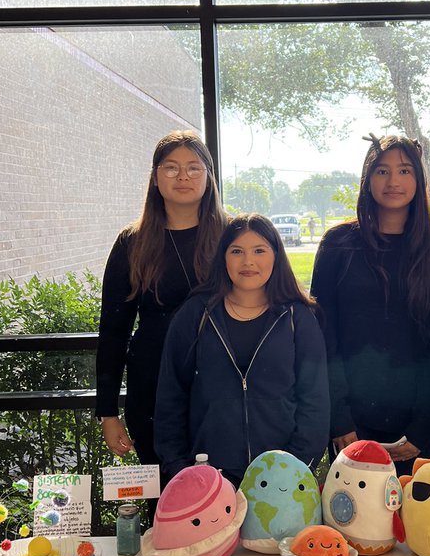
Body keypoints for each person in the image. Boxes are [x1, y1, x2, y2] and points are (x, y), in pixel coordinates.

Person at [311, 134, 430, 476]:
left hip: (413, 429)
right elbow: (323, 335)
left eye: (405, 170)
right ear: (367, 180)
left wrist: (425, 422)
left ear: (418, 180)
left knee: (410, 523)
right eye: (382, 171)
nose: (393, 181)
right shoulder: (338, 245)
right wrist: (339, 419)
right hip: (348, 427)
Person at [154, 214, 330, 486]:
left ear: (276, 256)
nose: (248, 261)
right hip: (208, 478)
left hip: (282, 481)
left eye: (259, 250)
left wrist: (294, 468)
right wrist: (181, 469)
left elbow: (315, 402)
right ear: (223, 258)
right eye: (237, 251)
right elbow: (171, 395)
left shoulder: (298, 317)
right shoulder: (196, 314)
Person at [95, 131, 227, 464]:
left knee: (227, 501)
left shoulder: (232, 236)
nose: (183, 176)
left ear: (209, 177)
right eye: (171, 168)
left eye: (195, 168)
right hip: (152, 391)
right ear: (155, 178)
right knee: (166, 503)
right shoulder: (132, 242)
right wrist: (107, 412)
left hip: (222, 390)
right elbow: (113, 331)